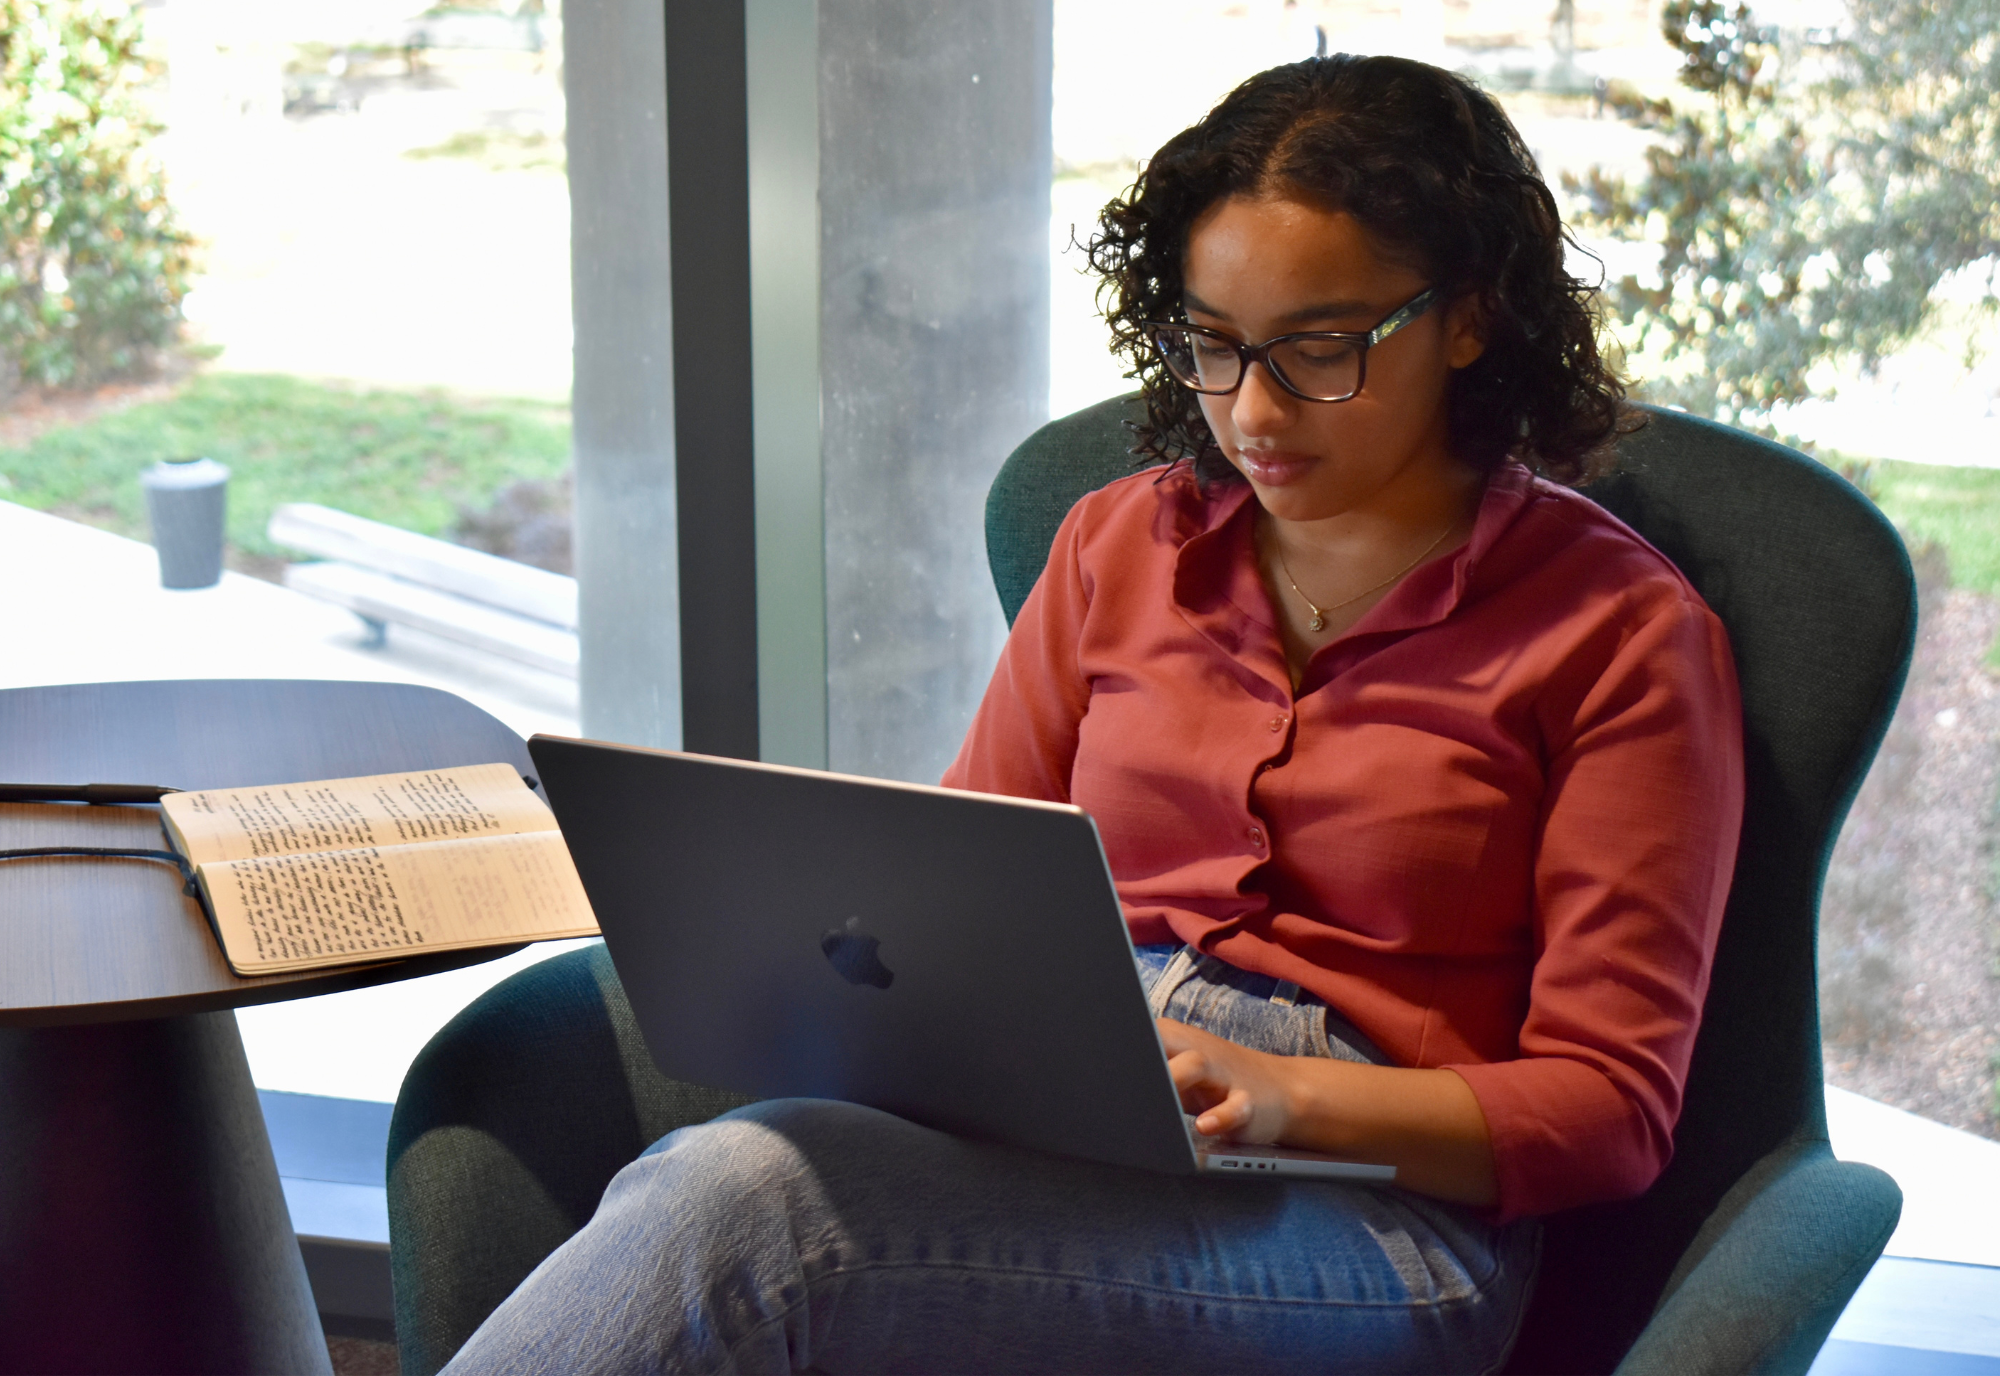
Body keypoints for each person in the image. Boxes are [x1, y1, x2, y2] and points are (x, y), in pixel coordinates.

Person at [444, 54, 1743, 1375]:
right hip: (1074, 1112)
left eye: (1319, 350)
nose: (1253, 410)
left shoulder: (1620, 636)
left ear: (1468, 316)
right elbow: (946, 885)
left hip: (1378, 1215)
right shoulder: (1119, 545)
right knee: (734, 1177)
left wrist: (1289, 1096)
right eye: (1215, 344)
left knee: (754, 1212)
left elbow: (1610, 1110)